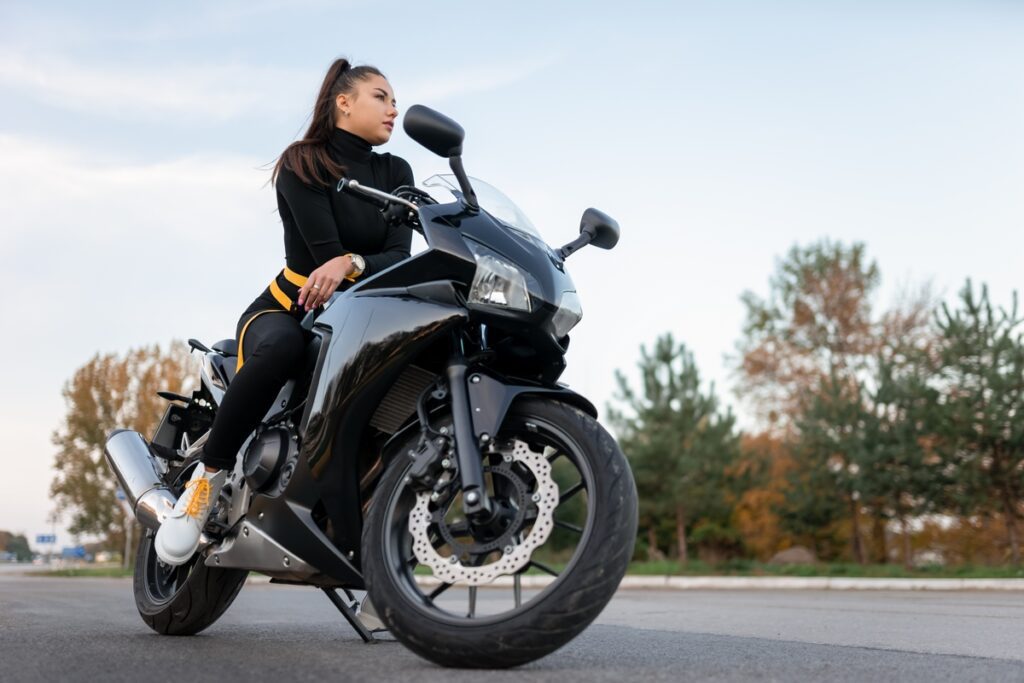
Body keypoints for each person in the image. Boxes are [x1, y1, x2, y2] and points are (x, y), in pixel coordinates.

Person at [155, 58, 414, 566]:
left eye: (394, 100)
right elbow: (323, 263)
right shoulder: (304, 162)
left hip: (358, 319)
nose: (394, 109)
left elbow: (397, 258)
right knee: (284, 348)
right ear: (345, 101)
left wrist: (354, 261)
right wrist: (343, 262)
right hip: (288, 308)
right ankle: (202, 488)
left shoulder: (395, 173)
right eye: (381, 97)